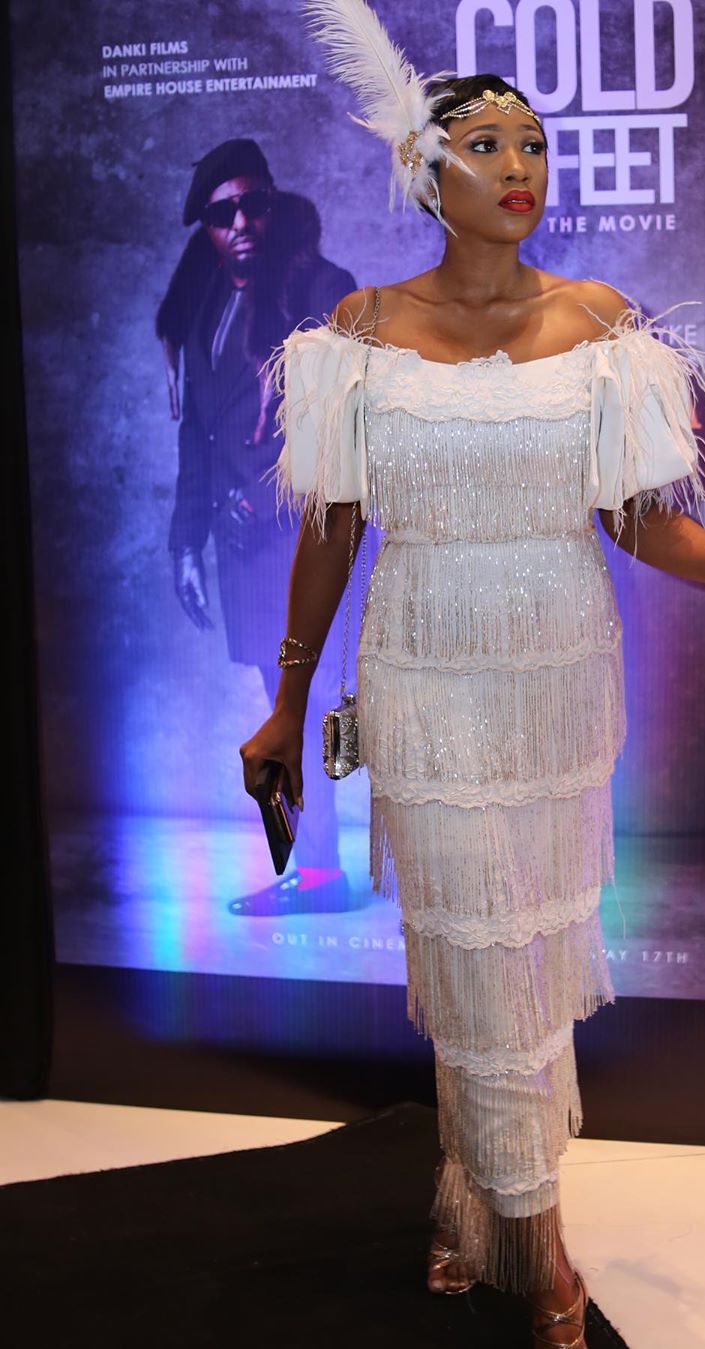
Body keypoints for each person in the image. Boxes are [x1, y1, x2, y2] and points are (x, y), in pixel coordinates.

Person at [240, 11, 705, 1344]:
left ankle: (471, 1198)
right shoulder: (360, 330)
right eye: (485, 144)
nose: (519, 164)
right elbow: (331, 530)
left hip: (556, 685)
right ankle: (538, 1246)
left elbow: (639, 520)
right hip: (419, 670)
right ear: (426, 171)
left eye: (532, 143)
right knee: (466, 948)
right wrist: (289, 701)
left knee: (515, 959)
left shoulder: (600, 324)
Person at [157, 138, 358, 916]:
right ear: (203, 226)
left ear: (272, 206)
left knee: (303, 706)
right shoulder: (203, 302)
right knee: (283, 706)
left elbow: (341, 421)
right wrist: (186, 541)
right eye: (222, 213)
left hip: (304, 540)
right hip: (240, 550)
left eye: (254, 205)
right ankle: (313, 870)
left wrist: (265, 498)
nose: (241, 223)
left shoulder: (320, 289)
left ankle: (321, 874)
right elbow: (199, 435)